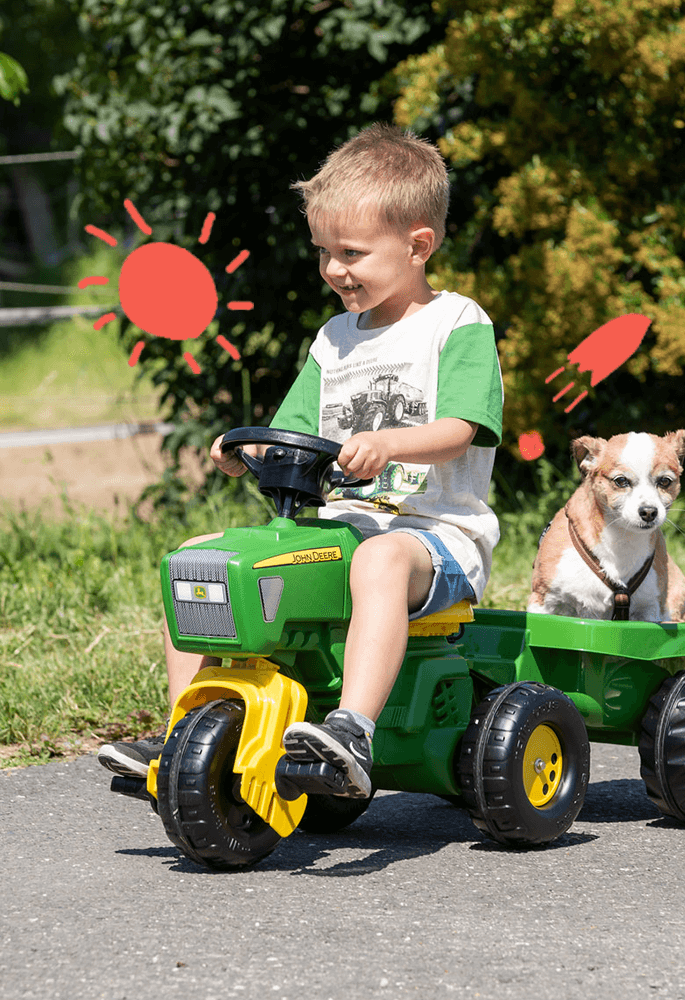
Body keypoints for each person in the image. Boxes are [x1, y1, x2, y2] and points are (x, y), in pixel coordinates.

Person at [98, 123, 503, 798]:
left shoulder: (456, 323)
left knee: (380, 558)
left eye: (352, 252)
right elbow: (289, 430)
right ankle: (189, 728)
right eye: (324, 252)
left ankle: (352, 729)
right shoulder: (333, 339)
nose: (334, 269)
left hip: (435, 540)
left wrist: (389, 444)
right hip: (340, 532)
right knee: (205, 553)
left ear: (418, 246)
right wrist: (245, 447)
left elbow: (463, 428)